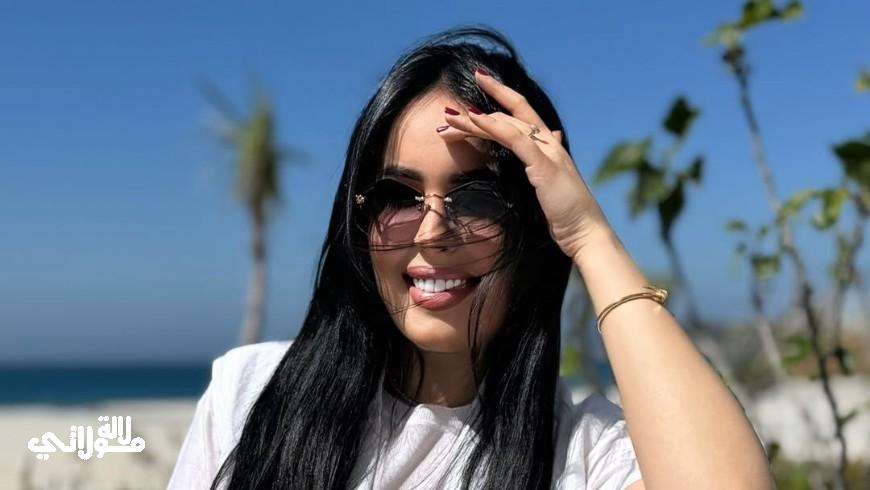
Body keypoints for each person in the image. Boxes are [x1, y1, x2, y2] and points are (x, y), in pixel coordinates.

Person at [168, 26, 773, 489]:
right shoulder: (250, 393)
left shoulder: (583, 455)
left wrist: (589, 235)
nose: (432, 232)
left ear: (534, 224)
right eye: (396, 196)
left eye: (478, 198)